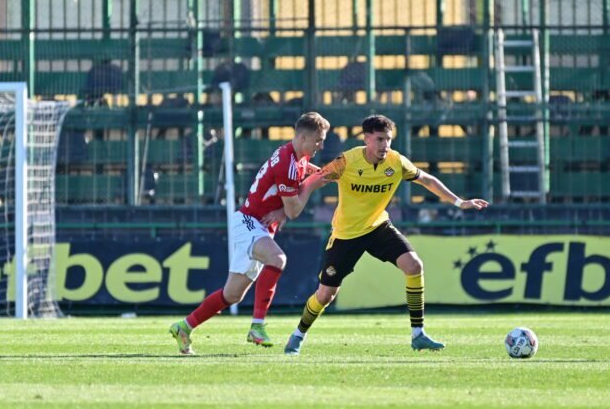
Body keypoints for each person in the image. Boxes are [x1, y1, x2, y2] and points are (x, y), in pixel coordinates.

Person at [284, 114, 489, 355]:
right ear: (367, 139)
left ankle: (418, 334)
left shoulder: (396, 162)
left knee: (414, 266)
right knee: (326, 294)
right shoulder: (347, 161)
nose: (385, 145)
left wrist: (459, 202)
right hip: (346, 234)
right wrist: (295, 203)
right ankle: (298, 335)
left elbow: (427, 180)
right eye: (380, 139)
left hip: (377, 227)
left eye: (389, 139)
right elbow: (313, 181)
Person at [169, 112, 331, 355]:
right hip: (249, 223)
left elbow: (302, 173)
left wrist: (322, 174)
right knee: (278, 259)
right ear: (303, 136)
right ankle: (257, 326)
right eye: (318, 140)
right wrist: (311, 185)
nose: (321, 145)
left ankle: (184, 327)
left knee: (231, 294)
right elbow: (295, 210)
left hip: (258, 225)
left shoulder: (294, 156)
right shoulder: (288, 164)